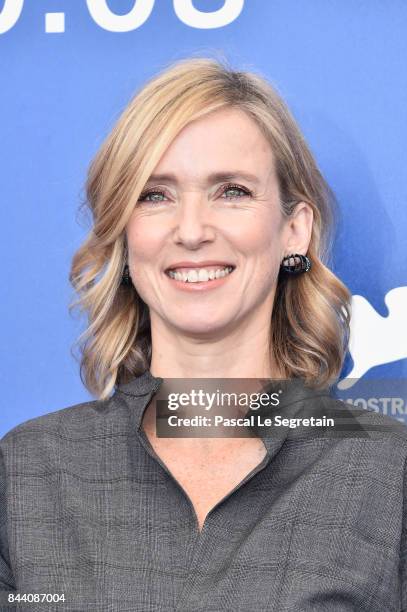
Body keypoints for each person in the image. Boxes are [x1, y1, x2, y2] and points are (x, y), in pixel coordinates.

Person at [1, 57, 406, 611]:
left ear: (294, 229)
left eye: (232, 191)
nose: (191, 231)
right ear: (124, 235)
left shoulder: (389, 475)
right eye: (155, 195)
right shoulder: (27, 470)